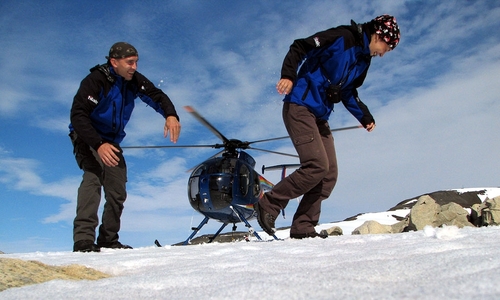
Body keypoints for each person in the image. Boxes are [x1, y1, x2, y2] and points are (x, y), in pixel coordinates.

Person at [255, 15, 400, 239]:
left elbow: (348, 91)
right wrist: (288, 75)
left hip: (320, 116)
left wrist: (364, 116)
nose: (383, 53)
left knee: (328, 174)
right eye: (386, 48)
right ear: (378, 35)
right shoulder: (343, 38)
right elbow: (300, 46)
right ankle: (269, 204)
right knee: (316, 165)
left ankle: (303, 226)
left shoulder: (363, 60)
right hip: (300, 105)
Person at [69, 42, 181, 252]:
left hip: (111, 141)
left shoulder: (133, 81)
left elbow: (156, 95)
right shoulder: (96, 81)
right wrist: (98, 144)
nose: (134, 67)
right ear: (114, 62)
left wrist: (171, 115)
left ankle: (108, 240)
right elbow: (78, 115)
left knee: (117, 190)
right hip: (87, 136)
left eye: (136, 62)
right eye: (130, 62)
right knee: (94, 176)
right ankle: (83, 240)